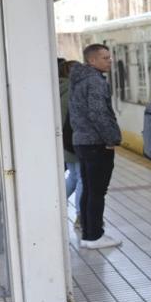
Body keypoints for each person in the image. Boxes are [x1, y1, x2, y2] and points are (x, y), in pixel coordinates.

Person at [69, 44, 123, 249]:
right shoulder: (95, 81)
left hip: (82, 141)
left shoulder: (79, 80)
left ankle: (88, 233)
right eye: (105, 58)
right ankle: (95, 236)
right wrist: (111, 139)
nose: (109, 61)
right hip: (96, 143)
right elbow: (98, 113)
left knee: (90, 190)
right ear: (92, 61)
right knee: (97, 191)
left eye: (109, 57)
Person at [57, 59, 83, 226]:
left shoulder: (58, 87)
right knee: (82, 179)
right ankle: (81, 216)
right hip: (74, 140)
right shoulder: (73, 91)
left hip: (63, 140)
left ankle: (56, 204)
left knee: (73, 176)